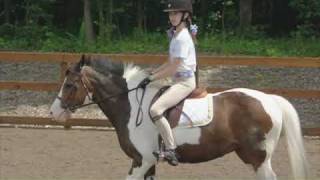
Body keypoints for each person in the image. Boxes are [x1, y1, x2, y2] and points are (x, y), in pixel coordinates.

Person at [138, 0, 197, 166]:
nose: (172, 17)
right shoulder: (176, 35)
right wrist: (153, 73)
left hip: (185, 82)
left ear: (185, 15)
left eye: (176, 13)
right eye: (170, 14)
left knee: (156, 109)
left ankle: (171, 149)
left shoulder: (182, 37)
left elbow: (173, 68)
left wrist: (151, 79)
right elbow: (168, 62)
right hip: (177, 80)